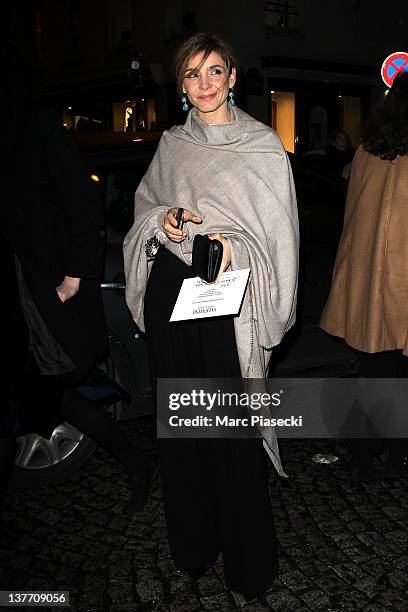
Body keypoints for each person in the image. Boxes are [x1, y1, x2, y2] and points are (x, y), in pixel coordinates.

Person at [123, 32, 299, 600]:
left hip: (229, 305)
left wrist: (231, 246)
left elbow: (279, 239)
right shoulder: (172, 144)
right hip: (172, 296)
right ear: (181, 84)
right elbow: (145, 206)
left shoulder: (262, 146)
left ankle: (250, 563)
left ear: (232, 77)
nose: (204, 84)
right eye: (192, 74)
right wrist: (163, 221)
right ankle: (193, 544)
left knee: (229, 432)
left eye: (215, 71)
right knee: (183, 430)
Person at [0, 45, 151, 513]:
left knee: (43, 394)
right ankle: (136, 460)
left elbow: (81, 208)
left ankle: (136, 461)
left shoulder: (37, 130)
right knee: (52, 397)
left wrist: (73, 279)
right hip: (17, 292)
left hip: (35, 298)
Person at [320, 72, 408, 482]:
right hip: (401, 285)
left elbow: (353, 219)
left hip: (370, 282)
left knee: (375, 374)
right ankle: (395, 456)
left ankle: (363, 454)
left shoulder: (368, 151)